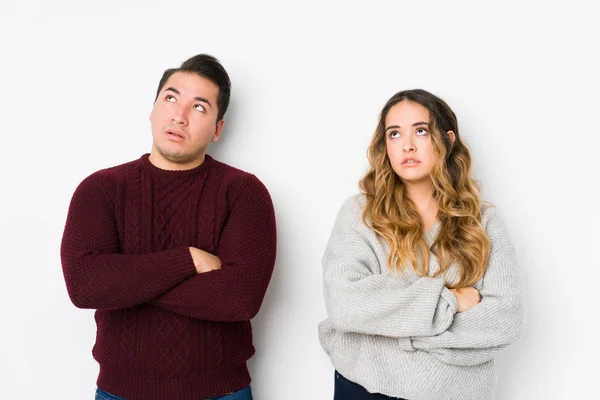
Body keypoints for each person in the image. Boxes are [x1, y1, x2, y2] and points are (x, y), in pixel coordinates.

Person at [61, 54, 276, 400]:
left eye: (200, 107)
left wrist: (126, 283)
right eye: (171, 98)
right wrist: (187, 261)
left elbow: (239, 298)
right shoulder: (101, 189)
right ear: (153, 109)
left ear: (218, 129)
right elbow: (84, 284)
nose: (180, 115)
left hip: (220, 392)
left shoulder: (244, 193)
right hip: (122, 392)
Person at [318, 89, 524, 400]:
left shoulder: (483, 221)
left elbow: (505, 319)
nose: (408, 145)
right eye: (395, 133)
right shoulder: (360, 214)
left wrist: (399, 333)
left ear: (448, 140)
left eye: (421, 131)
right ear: (384, 146)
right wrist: (449, 302)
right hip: (365, 389)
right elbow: (345, 305)